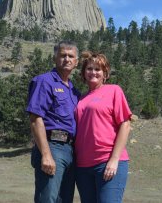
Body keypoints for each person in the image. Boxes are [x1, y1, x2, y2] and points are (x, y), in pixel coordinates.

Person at [74, 51, 132, 203]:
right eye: (89, 68)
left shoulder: (114, 91)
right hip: (83, 166)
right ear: (83, 73)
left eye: (98, 69)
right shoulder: (81, 98)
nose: (93, 72)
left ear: (105, 73)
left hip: (107, 161)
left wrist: (114, 160)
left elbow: (125, 124)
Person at [26, 41, 79, 203]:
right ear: (55, 58)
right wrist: (46, 155)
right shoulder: (44, 81)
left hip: (70, 150)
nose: (67, 59)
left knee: (64, 200)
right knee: (47, 199)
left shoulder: (74, 91)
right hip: (52, 147)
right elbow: (35, 119)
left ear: (76, 62)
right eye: (63, 55)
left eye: (71, 56)